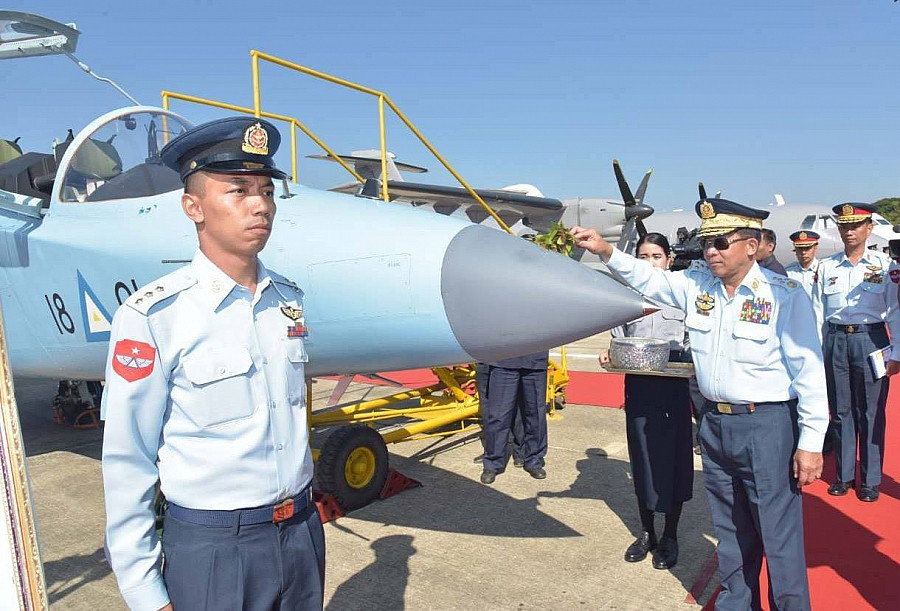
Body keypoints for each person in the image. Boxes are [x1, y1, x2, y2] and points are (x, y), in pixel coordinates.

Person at [101, 117, 325, 611]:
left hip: (301, 534)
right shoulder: (155, 315)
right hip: (214, 548)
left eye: (267, 191)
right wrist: (143, 589)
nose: (261, 205)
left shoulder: (287, 301)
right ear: (193, 207)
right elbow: (127, 457)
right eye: (238, 190)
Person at [572, 198, 828, 611]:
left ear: (751, 245)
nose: (711, 251)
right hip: (713, 424)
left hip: (766, 426)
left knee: (777, 535)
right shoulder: (697, 286)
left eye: (721, 242)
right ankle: (736, 603)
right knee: (729, 529)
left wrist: (811, 443)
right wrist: (604, 249)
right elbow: (648, 278)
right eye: (707, 242)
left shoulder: (784, 296)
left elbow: (810, 372)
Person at [600, 232, 692, 570]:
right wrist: (609, 355)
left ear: (669, 259)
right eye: (643, 257)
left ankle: (670, 535)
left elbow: (694, 340)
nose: (650, 262)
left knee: (674, 459)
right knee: (641, 457)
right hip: (640, 387)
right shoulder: (627, 298)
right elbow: (618, 339)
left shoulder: (684, 294)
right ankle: (646, 532)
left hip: (673, 386)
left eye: (656, 256)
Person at [812, 203, 900, 502]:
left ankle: (871, 479)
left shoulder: (885, 266)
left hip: (871, 339)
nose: (849, 231)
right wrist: (815, 351)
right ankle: (844, 475)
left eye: (855, 226)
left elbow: (895, 311)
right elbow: (817, 312)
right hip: (836, 339)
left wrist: (897, 353)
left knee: (871, 412)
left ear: (869, 228)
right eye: (844, 226)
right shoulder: (826, 267)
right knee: (840, 411)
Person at [480, 351, 550, 483]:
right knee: (498, 415)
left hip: (535, 360)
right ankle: (493, 463)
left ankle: (534, 460)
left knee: (536, 415)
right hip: (503, 359)